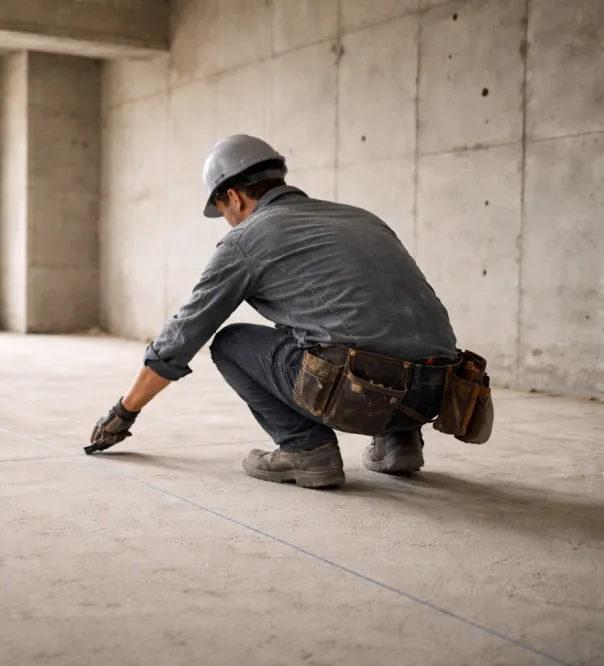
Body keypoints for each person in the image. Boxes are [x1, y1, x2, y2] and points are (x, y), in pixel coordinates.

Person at [87, 134, 462, 489]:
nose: (229, 219)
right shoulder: (362, 218)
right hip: (439, 392)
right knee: (344, 325)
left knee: (231, 342)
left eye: (223, 211)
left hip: (363, 393)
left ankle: (305, 448)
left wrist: (124, 412)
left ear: (233, 197)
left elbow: (183, 336)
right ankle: (400, 443)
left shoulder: (247, 239)